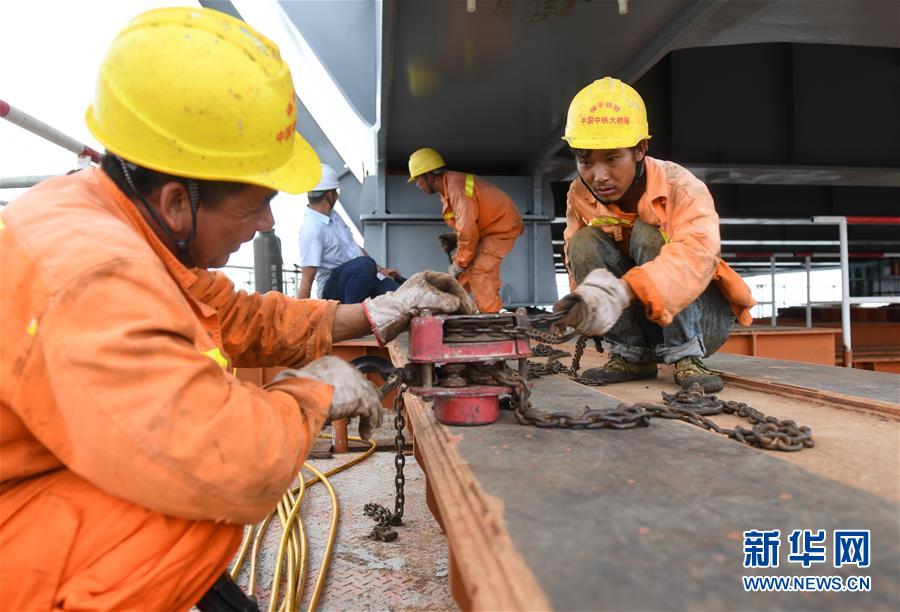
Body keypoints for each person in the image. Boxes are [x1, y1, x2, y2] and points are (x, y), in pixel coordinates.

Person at [0, 8, 471, 610]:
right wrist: (314, 392)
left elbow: (239, 316)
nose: (268, 224)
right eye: (254, 207)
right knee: (194, 506)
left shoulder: (121, 217)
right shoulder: (96, 278)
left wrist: (379, 311)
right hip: (20, 537)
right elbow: (233, 466)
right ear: (178, 202)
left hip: (43, 483)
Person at [551, 77, 756, 393]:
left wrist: (620, 291)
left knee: (648, 233)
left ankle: (686, 357)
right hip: (640, 322)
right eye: (585, 160)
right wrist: (585, 307)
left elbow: (693, 257)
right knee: (583, 242)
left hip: (703, 321)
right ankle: (630, 356)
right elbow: (573, 251)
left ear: (639, 150)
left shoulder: (682, 189)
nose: (598, 175)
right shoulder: (579, 193)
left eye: (612, 158)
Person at [408, 147, 524, 313]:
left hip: (502, 227)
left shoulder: (456, 185)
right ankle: (451, 309)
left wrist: (459, 262)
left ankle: (490, 318)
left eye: (418, 178)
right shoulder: (448, 187)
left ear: (429, 175)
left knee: (479, 270)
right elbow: (468, 223)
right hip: (489, 228)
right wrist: (455, 238)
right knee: (461, 277)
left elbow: (467, 228)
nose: (417, 184)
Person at [297, 163, 401, 302]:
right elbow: (307, 278)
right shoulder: (312, 229)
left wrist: (380, 270)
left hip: (358, 276)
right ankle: (348, 317)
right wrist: (298, 317)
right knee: (364, 265)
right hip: (333, 289)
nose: (336, 196)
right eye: (336, 192)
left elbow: (354, 247)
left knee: (399, 294)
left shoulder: (333, 215)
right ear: (329, 194)